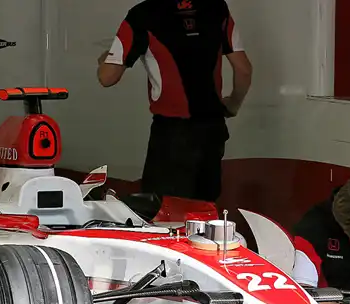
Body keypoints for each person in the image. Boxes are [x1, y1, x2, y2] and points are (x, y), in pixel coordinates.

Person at [97, 0, 253, 203]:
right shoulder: (216, 8)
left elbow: (107, 77)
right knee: (203, 212)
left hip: (171, 135)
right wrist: (233, 104)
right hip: (212, 130)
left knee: (163, 215)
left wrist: (103, 60)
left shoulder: (142, 14)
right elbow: (244, 69)